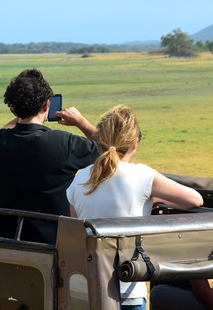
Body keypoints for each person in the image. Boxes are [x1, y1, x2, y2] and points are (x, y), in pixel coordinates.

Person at [66, 104, 204, 310]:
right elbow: (195, 200)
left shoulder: (79, 180)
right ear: (134, 143)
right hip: (128, 288)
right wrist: (154, 197)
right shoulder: (142, 176)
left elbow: (77, 233)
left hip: (86, 289)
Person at [0, 68, 101, 244]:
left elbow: (5, 131)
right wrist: (81, 122)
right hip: (55, 246)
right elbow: (112, 150)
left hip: (6, 245)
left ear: (13, 107)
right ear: (47, 105)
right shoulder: (63, 143)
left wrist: (22, 114)